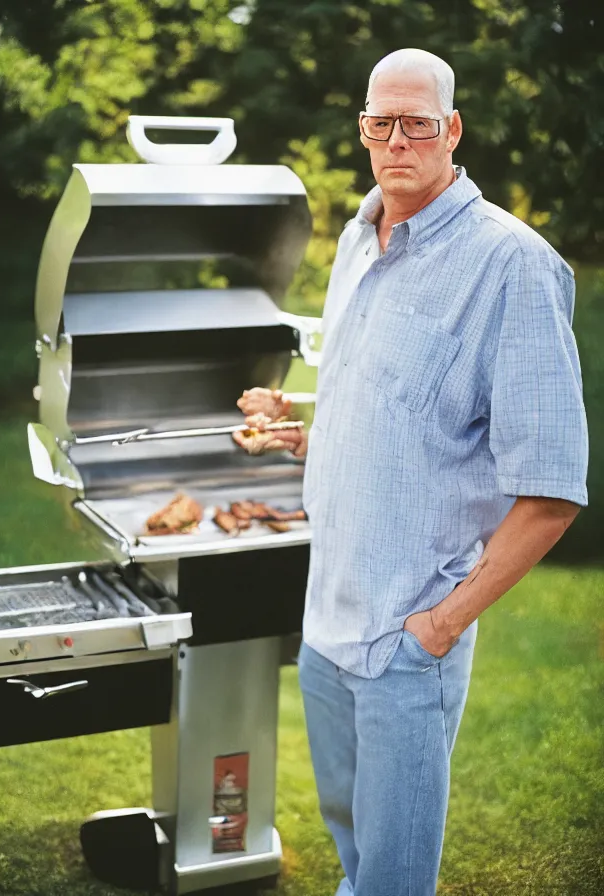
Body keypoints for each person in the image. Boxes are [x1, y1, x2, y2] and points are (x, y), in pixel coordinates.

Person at [233, 47, 589, 896]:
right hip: (327, 623)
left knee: (392, 882)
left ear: (451, 130)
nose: (397, 141)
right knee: (354, 857)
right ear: (362, 128)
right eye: (379, 123)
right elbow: (398, 418)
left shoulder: (513, 267)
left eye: (417, 124)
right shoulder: (359, 240)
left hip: (406, 641)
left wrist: (440, 625)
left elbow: (553, 493)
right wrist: (306, 437)